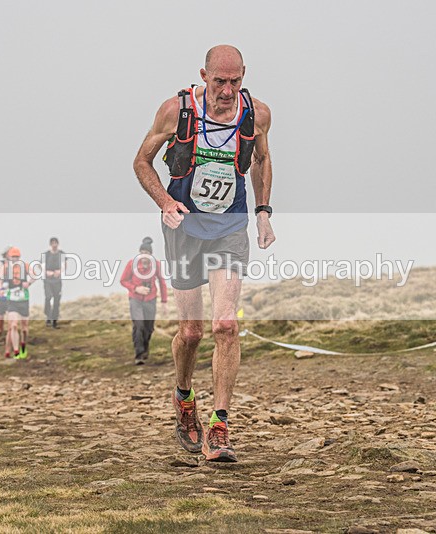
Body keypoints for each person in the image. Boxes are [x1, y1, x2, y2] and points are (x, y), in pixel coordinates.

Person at [133, 45, 276, 462]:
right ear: (204, 75)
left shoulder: (257, 114)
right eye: (220, 82)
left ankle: (220, 425)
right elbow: (142, 161)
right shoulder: (176, 110)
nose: (228, 91)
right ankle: (183, 398)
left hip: (230, 228)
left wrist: (263, 213)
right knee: (192, 332)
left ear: (244, 77)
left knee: (226, 324)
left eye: (235, 82)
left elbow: (262, 162)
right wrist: (164, 201)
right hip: (184, 230)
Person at [120, 237, 167, 365]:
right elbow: (123, 280)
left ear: (151, 254)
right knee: (139, 324)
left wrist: (164, 302)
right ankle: (139, 354)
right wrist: (136, 288)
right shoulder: (131, 264)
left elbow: (162, 282)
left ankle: (145, 348)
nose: (144, 255)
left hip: (151, 299)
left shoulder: (156, 264)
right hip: (135, 299)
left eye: (147, 253)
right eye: (142, 252)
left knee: (149, 327)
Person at [3, 247, 32, 359]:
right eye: (13, 257)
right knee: (13, 325)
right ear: (9, 257)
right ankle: (15, 351)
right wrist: (1, 288)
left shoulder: (25, 266)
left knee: (24, 328)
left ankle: (23, 345)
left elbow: (35, 275)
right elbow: (0, 278)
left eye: (16, 257)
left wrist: (29, 283)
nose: (14, 259)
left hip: (23, 300)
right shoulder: (6, 268)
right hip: (12, 301)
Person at [42, 237, 63, 328]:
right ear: (50, 244)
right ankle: (48, 316)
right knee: (48, 297)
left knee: (57, 299)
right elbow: (41, 265)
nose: (54, 245)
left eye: (56, 243)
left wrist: (60, 271)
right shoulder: (46, 254)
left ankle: (54, 320)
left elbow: (64, 265)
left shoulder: (62, 254)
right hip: (48, 280)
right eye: (52, 243)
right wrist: (47, 272)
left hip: (57, 280)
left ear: (58, 244)